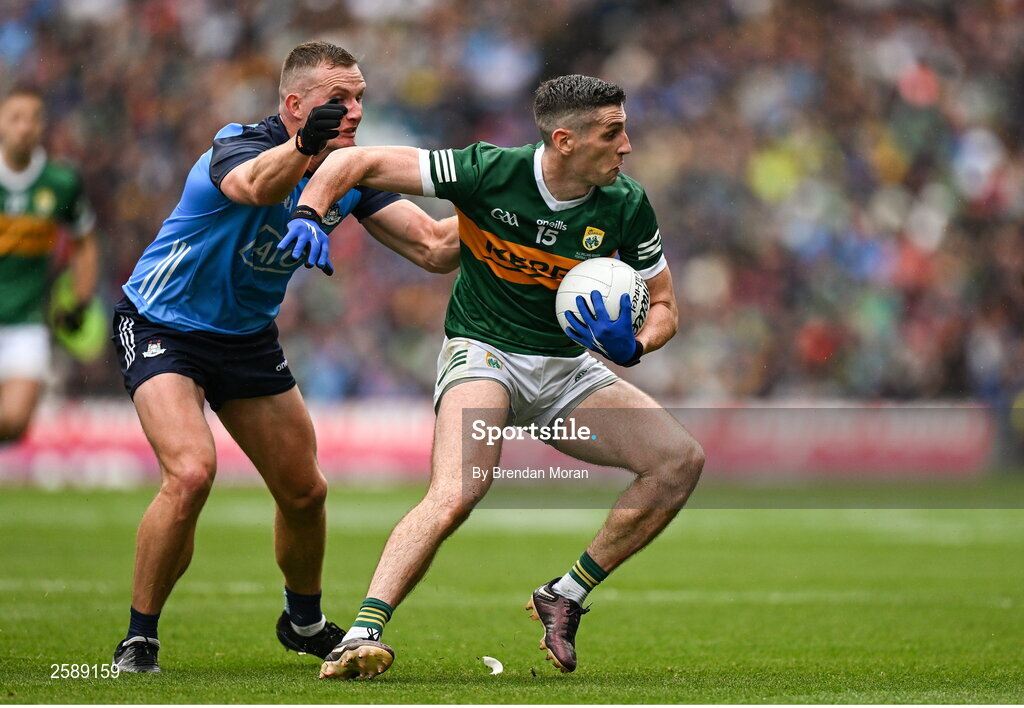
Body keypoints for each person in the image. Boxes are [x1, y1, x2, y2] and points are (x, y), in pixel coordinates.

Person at [284, 74, 705, 680]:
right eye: (612, 132)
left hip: (567, 373)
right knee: (457, 492)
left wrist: (636, 344)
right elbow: (360, 161)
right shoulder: (486, 171)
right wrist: (309, 210)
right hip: (486, 356)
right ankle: (360, 633)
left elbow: (664, 304)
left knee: (679, 461)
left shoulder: (627, 205)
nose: (627, 145)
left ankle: (566, 593)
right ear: (564, 140)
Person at [109, 41, 459, 674]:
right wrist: (303, 151)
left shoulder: (350, 170)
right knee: (190, 474)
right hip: (163, 324)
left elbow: (433, 247)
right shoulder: (238, 144)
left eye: (359, 98)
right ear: (295, 105)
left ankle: (303, 623)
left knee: (304, 492)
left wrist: (508, 208)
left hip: (246, 339)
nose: (354, 111)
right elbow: (250, 187)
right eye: (338, 100)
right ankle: (140, 638)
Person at [0, 86, 99, 444]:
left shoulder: (60, 183)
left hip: (27, 321)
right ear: (1, 123)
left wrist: (81, 301)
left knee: (13, 423)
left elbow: (84, 242)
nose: (25, 127)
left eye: (33, 119)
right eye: (15, 118)